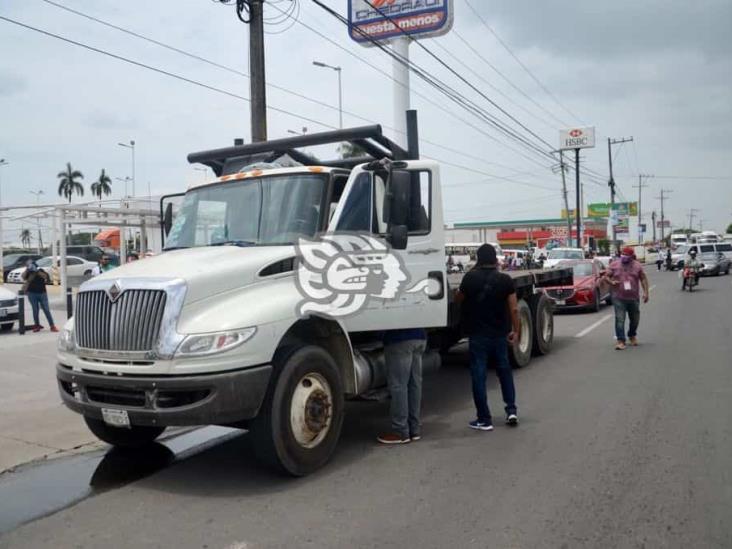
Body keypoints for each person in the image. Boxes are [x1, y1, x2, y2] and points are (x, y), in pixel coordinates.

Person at [456, 244, 520, 431]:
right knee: (504, 372)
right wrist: (516, 331)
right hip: (500, 335)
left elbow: (458, 299)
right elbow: (514, 309)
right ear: (495, 259)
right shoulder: (505, 280)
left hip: (477, 335)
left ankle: (484, 419)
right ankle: (511, 410)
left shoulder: (470, 278)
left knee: (479, 375)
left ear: (478, 258)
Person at [377, 328, 427, 444]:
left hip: (399, 338)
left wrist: (380, 334)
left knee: (399, 386)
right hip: (419, 336)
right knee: (414, 385)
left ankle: (400, 431)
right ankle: (414, 429)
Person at [604, 246, 649, 350]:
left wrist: (646, 293)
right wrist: (611, 282)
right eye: (623, 254)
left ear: (632, 256)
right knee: (620, 319)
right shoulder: (614, 264)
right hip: (618, 297)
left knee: (635, 319)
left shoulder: (637, 266)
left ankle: (632, 335)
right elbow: (606, 276)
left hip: (633, 297)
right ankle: (620, 340)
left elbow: (643, 279)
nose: (624, 256)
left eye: (627, 255)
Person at [21, 261, 58, 333]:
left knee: (46, 310)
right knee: (35, 310)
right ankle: (37, 325)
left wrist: (36, 271)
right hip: (31, 293)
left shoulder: (41, 271)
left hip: (42, 293)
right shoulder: (28, 272)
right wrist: (27, 269)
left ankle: (52, 326)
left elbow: (46, 277)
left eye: (32, 265)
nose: (31, 267)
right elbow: (23, 277)